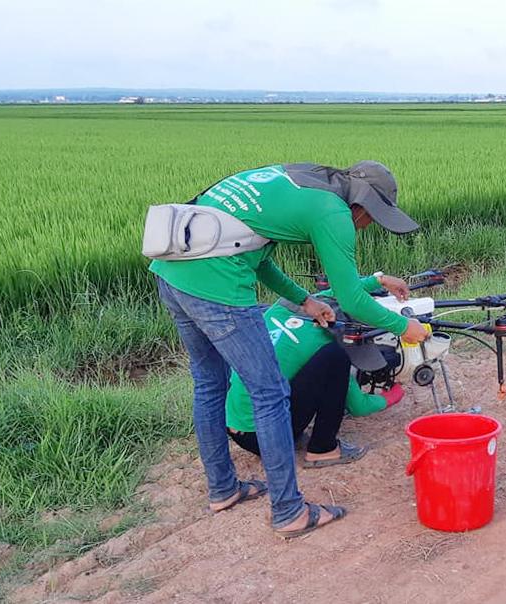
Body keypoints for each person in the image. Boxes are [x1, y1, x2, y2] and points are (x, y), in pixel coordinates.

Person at [149, 161, 428, 538]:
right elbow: (352, 299)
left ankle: (223, 489)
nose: (369, 226)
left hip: (172, 275)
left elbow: (256, 256)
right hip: (218, 289)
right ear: (363, 206)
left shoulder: (292, 181)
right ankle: (288, 511)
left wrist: (306, 300)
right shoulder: (334, 213)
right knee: (269, 393)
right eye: (374, 218)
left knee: (209, 385)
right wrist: (403, 326)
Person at [225, 272, 408, 466]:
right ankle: (323, 448)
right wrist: (395, 393)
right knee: (336, 357)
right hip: (264, 436)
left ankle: (293, 436)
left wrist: (379, 280)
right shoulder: (323, 341)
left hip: (236, 425)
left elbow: (335, 294)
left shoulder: (280, 308)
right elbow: (360, 406)